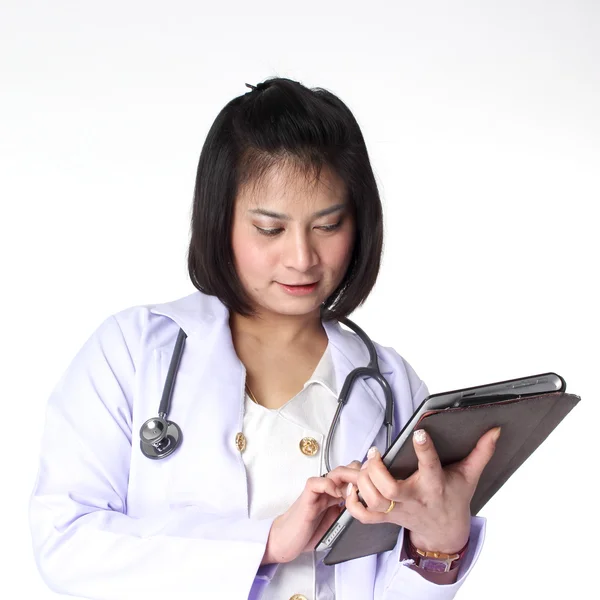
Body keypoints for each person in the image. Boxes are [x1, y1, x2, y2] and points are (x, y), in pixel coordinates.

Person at [29, 77, 500, 600]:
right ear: (220, 221)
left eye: (328, 225)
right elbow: (65, 544)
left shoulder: (389, 386)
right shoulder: (133, 352)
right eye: (270, 229)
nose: (302, 257)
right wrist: (265, 542)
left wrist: (439, 547)